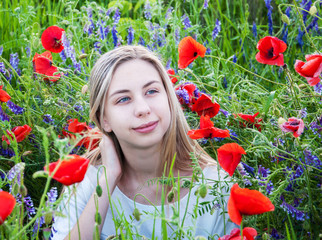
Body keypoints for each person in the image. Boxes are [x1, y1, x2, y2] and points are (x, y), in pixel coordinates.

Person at [51, 45, 236, 240]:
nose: (142, 109)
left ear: (169, 99)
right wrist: (108, 179)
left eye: (151, 91)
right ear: (104, 119)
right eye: (123, 99)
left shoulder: (215, 184)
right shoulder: (87, 181)